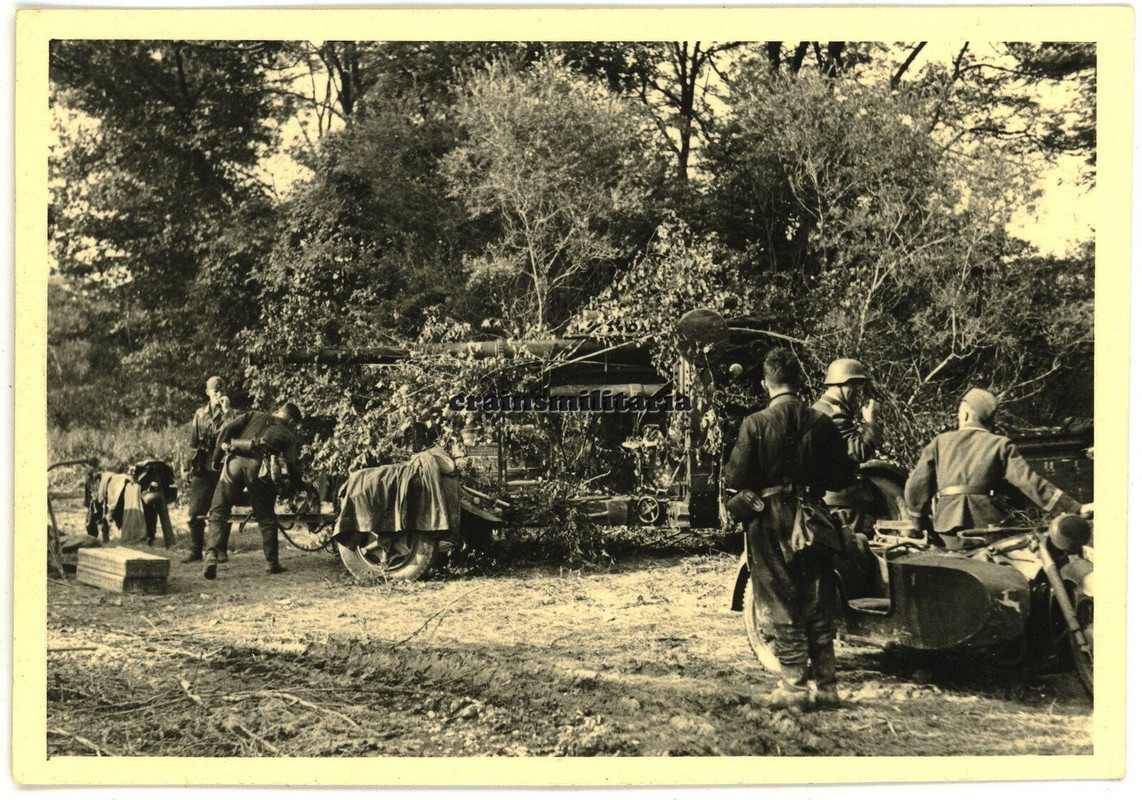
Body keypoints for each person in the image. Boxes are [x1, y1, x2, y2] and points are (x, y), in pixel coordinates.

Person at [724, 348, 857, 710]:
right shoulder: (822, 423)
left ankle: (795, 687)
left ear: (766, 383)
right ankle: (828, 687)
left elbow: (735, 478)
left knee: (781, 601)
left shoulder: (755, 424)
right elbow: (843, 476)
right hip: (813, 516)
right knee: (817, 600)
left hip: (769, 521)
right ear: (799, 382)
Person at [904, 388, 1084, 543]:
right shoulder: (1000, 444)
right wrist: (1074, 508)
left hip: (947, 528)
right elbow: (1030, 482)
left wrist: (919, 523)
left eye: (959, 412)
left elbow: (915, 487)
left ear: (966, 414)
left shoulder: (939, 443)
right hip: (989, 527)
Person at [203, 402, 304, 580]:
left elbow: (226, 429)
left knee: (219, 509)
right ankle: (272, 563)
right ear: (292, 421)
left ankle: (211, 555)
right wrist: (296, 485)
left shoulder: (254, 414)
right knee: (266, 516)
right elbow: (293, 465)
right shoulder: (289, 435)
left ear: (278, 412)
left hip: (234, 462)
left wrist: (217, 458)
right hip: (259, 468)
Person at [813, 359, 882, 534]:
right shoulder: (834, 415)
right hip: (842, 500)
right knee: (848, 553)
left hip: (830, 497)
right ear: (845, 384)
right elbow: (859, 452)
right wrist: (871, 422)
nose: (858, 392)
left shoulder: (820, 408)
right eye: (856, 385)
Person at [182, 376, 233, 563]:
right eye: (215, 391)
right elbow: (192, 442)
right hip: (202, 466)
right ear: (208, 393)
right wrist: (187, 467)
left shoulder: (231, 413)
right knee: (195, 510)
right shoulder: (200, 414)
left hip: (222, 467)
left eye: (221, 391)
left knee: (222, 509)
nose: (219, 395)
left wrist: (227, 413)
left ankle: (220, 550)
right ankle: (195, 550)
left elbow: (232, 432)